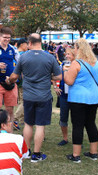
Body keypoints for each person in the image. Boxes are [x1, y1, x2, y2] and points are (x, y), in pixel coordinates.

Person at [8, 33, 61, 162]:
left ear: (30, 43)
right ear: (40, 42)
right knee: (40, 126)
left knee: (28, 124)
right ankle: (36, 155)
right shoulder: (50, 57)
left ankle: (26, 152)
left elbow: (14, 76)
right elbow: (59, 77)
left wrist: (9, 80)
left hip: (28, 96)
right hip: (44, 96)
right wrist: (48, 77)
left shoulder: (23, 57)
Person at [63, 39, 98, 163]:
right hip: (94, 97)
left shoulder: (77, 63)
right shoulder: (96, 63)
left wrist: (65, 71)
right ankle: (93, 152)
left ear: (78, 49)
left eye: (75, 48)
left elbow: (69, 81)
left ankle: (76, 155)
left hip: (78, 98)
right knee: (91, 124)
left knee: (78, 125)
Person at [0, 27, 19, 127]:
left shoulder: (13, 49)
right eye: (5, 37)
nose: (7, 39)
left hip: (10, 83)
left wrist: (15, 76)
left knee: (10, 109)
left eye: (9, 38)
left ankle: (9, 133)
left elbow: (20, 63)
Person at [55, 43, 73, 147]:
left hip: (75, 95)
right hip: (63, 95)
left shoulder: (78, 65)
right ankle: (65, 138)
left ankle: (77, 138)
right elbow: (55, 76)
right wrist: (56, 87)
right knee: (63, 117)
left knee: (76, 118)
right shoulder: (62, 65)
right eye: (66, 54)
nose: (67, 56)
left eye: (69, 54)